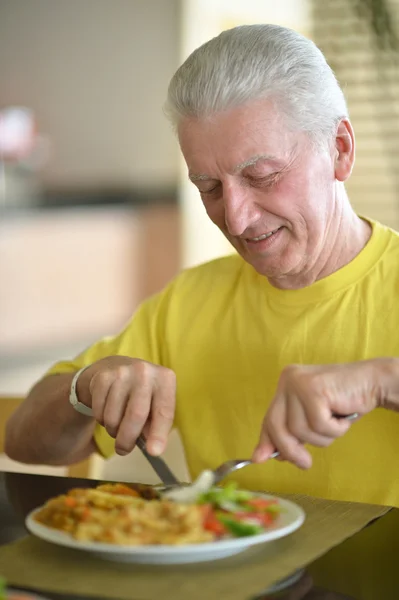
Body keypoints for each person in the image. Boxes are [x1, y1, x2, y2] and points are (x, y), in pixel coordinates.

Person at [5, 24, 399, 507]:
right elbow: (23, 440)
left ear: (340, 149)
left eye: (263, 175)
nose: (235, 217)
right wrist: (83, 388)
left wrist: (381, 380)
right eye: (209, 187)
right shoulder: (191, 302)